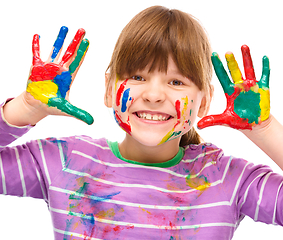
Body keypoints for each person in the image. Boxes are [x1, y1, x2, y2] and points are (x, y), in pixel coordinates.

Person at [1, 5, 283, 240]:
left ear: (205, 100)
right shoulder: (65, 161)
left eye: (176, 81)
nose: (153, 95)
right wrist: (26, 108)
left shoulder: (227, 180)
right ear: (109, 89)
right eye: (137, 77)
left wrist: (264, 129)